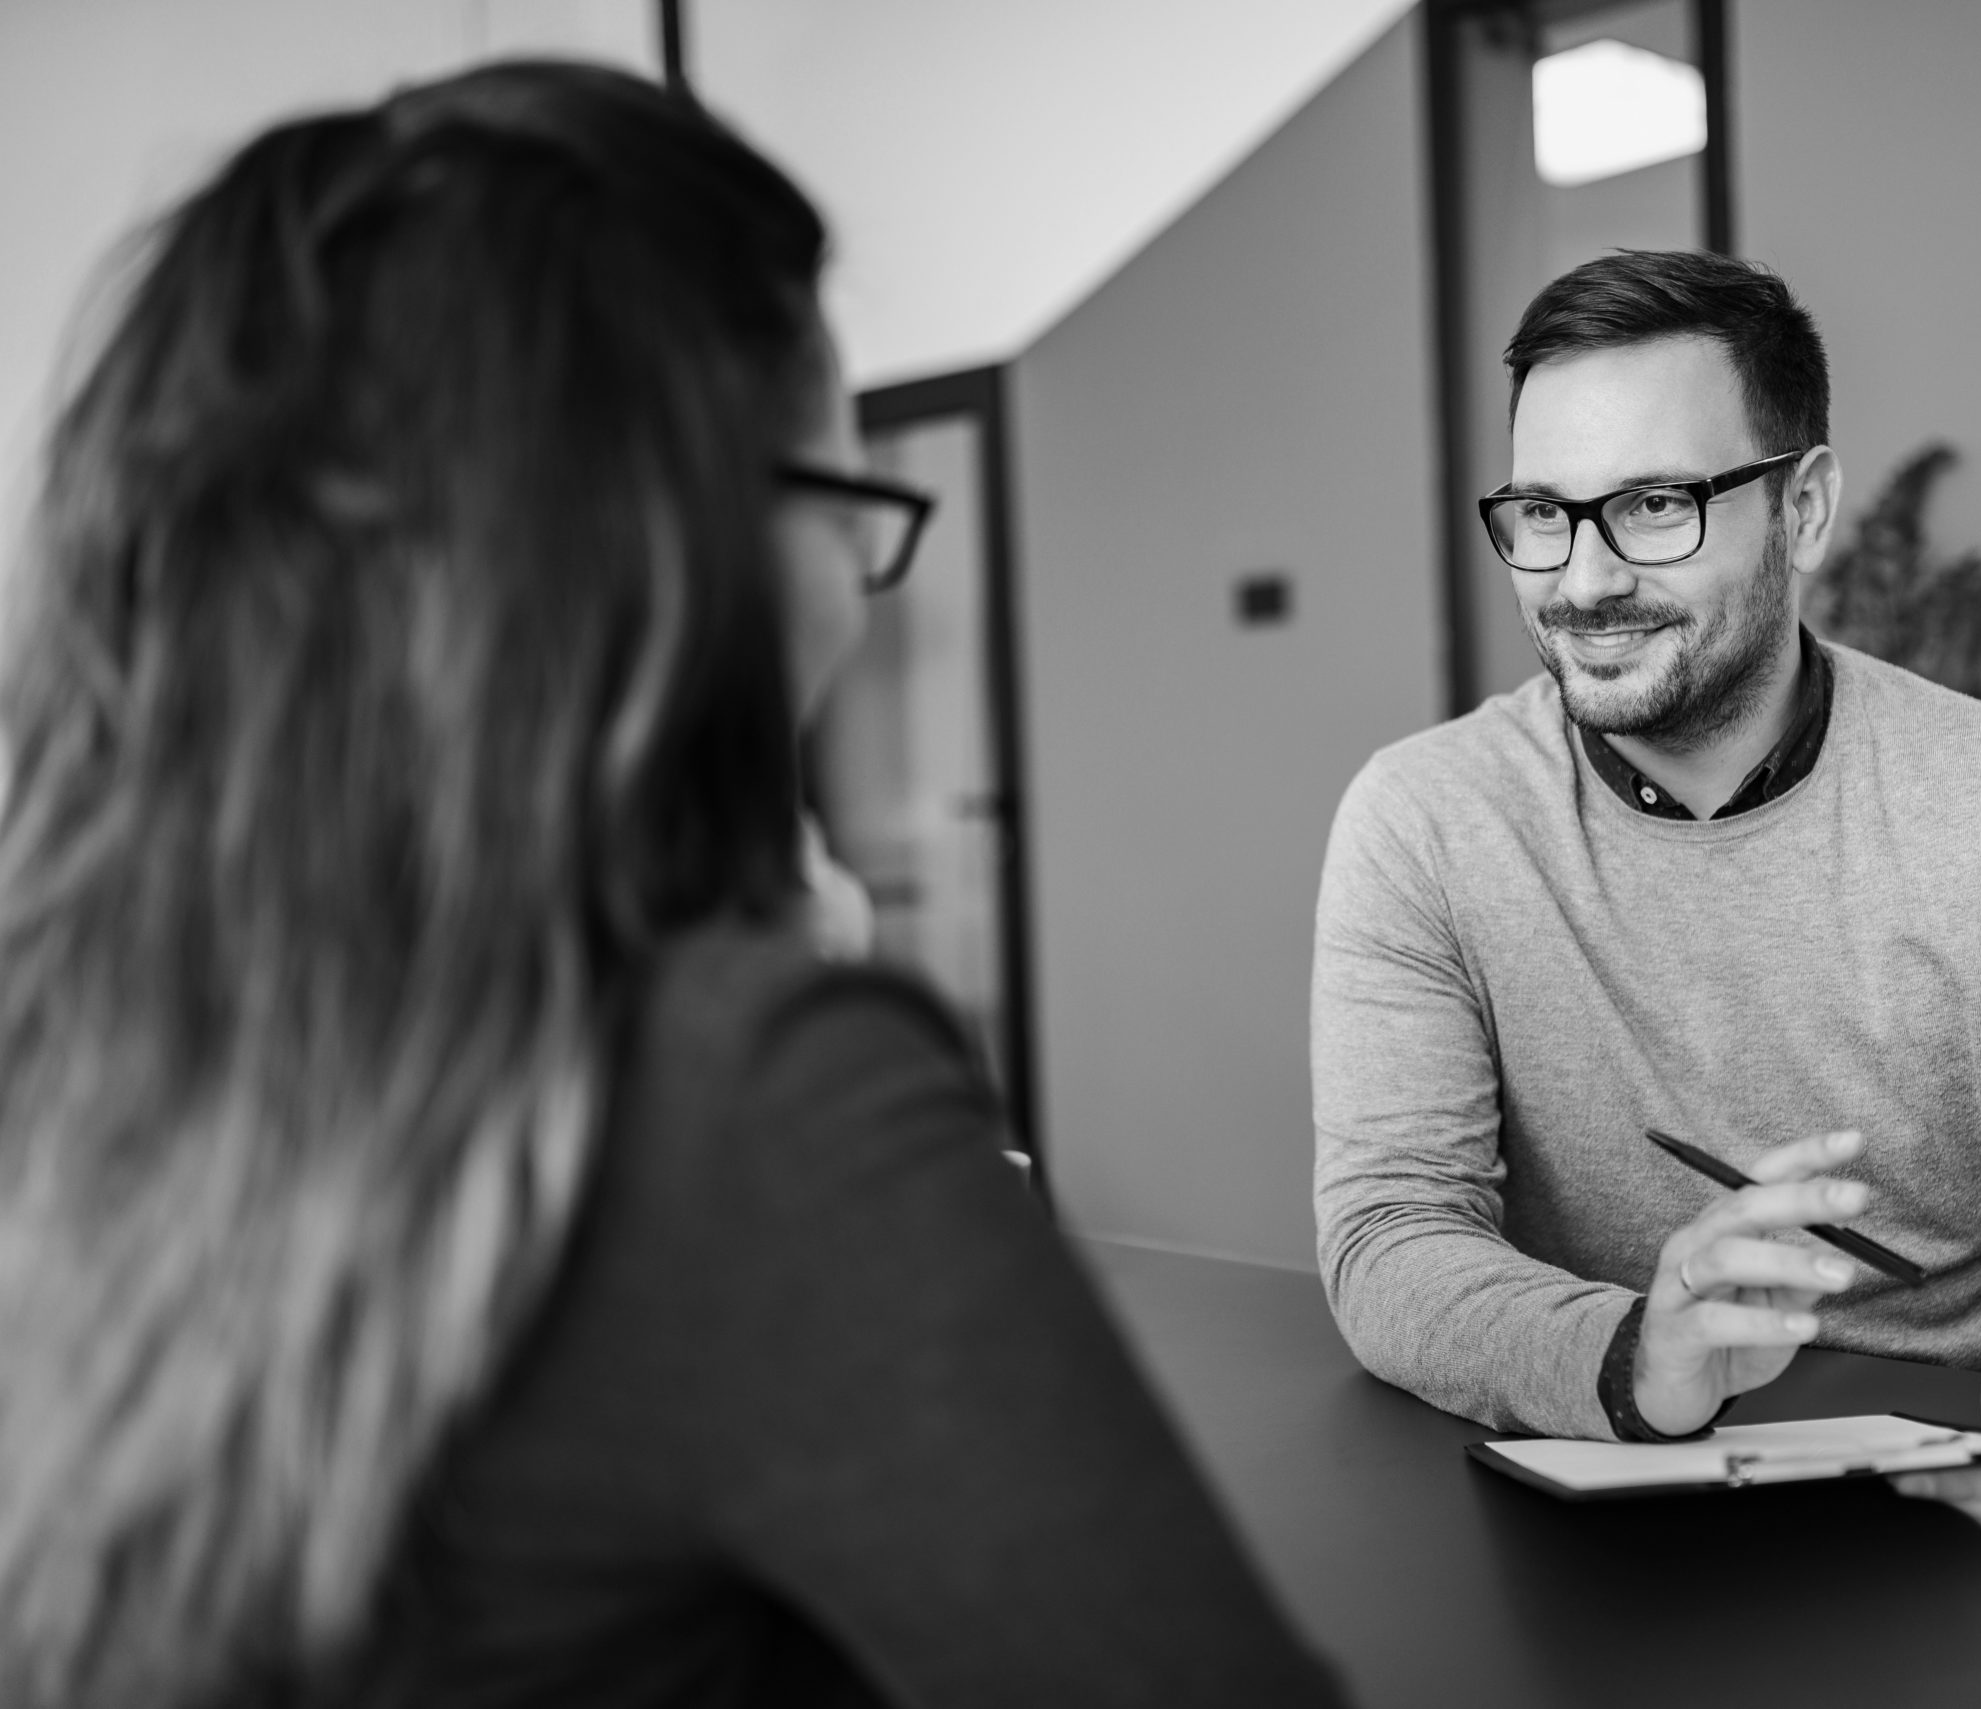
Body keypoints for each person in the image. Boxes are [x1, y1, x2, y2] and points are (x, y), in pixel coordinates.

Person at [0, 62, 1346, 1707]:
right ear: (670, 546)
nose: (857, 590)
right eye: (851, 506)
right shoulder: (745, 1100)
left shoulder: (73, 1049)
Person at [1312, 249, 1981, 1554]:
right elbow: (1392, 1238)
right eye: (1542, 512)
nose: (1580, 579)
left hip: (1966, 1477)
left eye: (1652, 504)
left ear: (1804, 510)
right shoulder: (1424, 818)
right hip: (1601, 1490)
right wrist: (1641, 1350)